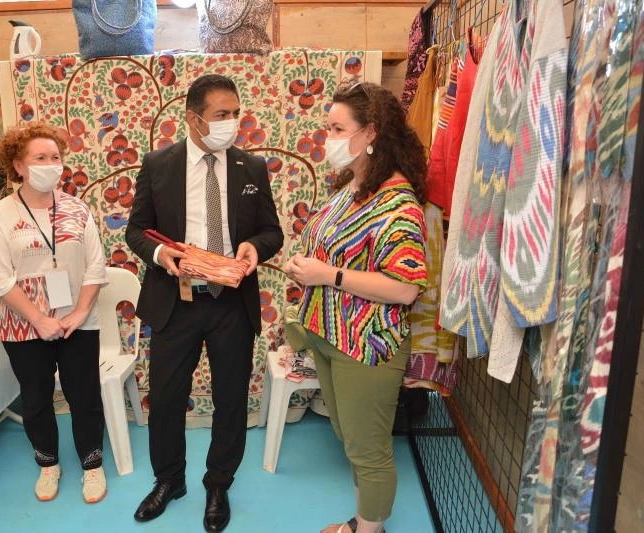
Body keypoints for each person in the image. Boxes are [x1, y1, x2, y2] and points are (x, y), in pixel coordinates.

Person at [125, 74, 283, 532]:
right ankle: (169, 480)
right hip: (176, 301)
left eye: (236, 113)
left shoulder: (251, 167)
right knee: (166, 397)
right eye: (221, 115)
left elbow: (271, 232)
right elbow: (135, 230)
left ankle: (218, 484)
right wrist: (161, 254)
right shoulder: (158, 165)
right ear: (194, 119)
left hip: (231, 302)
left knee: (231, 398)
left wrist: (254, 248)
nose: (232, 122)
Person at [282, 82, 428, 533]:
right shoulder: (353, 187)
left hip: (366, 345)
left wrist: (329, 275)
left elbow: (405, 288)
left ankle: (369, 529)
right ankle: (366, 520)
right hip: (330, 335)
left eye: (337, 129)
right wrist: (305, 267)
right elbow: (334, 251)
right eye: (328, 127)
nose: (327, 137)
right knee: (349, 436)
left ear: (370, 133)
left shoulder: (398, 203)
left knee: (368, 450)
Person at [0, 122, 109, 504]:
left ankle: (92, 463)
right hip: (24, 326)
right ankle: (48, 463)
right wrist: (39, 320)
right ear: (19, 165)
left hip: (77, 322)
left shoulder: (77, 209)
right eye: (41, 157)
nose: (51, 164)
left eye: (56, 157)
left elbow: (96, 266)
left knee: (84, 395)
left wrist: (80, 312)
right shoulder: (0, 216)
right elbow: (0, 280)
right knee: (36, 398)